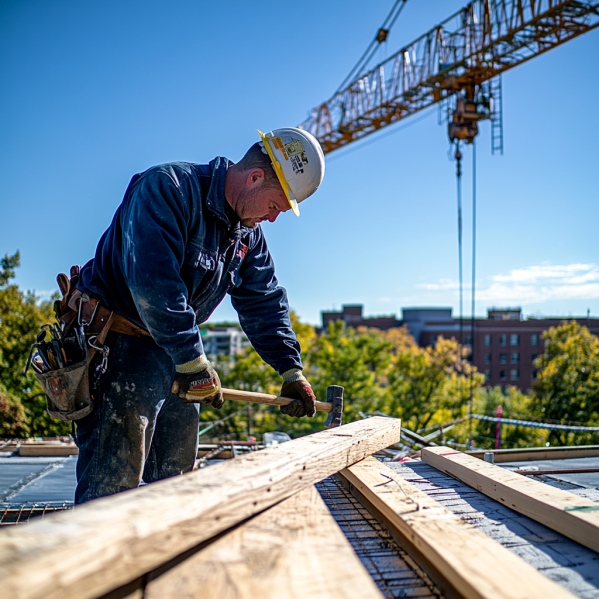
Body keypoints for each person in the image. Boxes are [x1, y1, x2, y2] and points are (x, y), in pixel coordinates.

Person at [71, 127, 325, 504]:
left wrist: (291, 370)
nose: (273, 219)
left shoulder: (246, 234)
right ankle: (93, 560)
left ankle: (161, 560)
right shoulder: (167, 189)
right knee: (112, 488)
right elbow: (154, 285)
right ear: (255, 178)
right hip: (120, 345)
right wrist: (192, 360)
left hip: (175, 351)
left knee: (176, 484)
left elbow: (264, 302)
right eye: (275, 206)